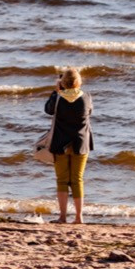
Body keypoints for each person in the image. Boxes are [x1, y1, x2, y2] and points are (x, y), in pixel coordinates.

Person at [44, 67, 94, 227]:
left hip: (60, 143)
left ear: (62, 82)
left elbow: (48, 110)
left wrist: (56, 91)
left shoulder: (58, 98)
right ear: (78, 82)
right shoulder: (86, 97)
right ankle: (79, 217)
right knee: (77, 180)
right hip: (81, 142)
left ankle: (63, 216)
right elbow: (90, 112)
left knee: (62, 181)